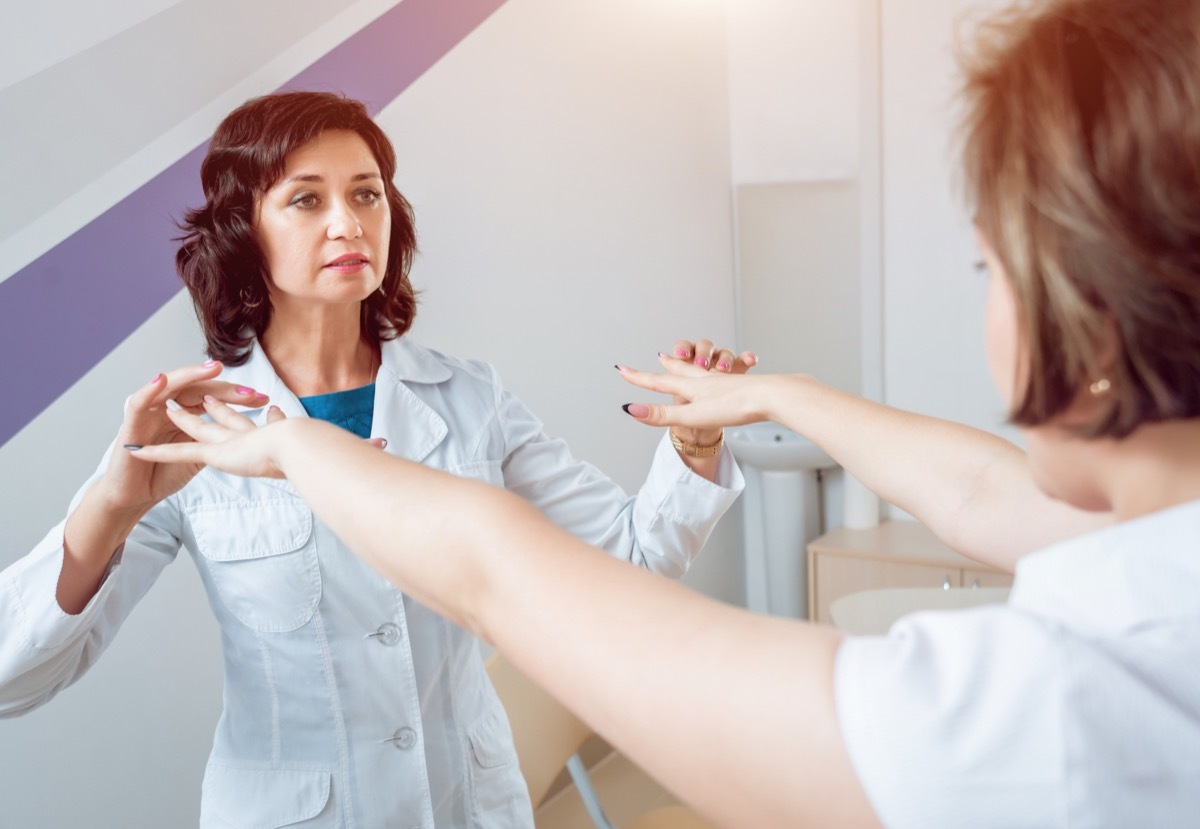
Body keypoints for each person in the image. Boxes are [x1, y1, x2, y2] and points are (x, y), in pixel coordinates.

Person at [131, 0, 1200, 826]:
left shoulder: (1067, 710)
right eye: (304, 198)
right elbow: (983, 491)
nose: (344, 223)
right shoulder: (1159, 554)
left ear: (1096, 317)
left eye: (991, 266)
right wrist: (779, 394)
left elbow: (513, 574)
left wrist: (299, 448)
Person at [0, 91, 750, 828]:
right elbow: (17, 678)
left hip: (468, 805)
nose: (347, 222)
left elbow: (633, 556)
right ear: (242, 234)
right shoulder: (196, 423)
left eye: (366, 193)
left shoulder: (467, 398)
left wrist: (694, 442)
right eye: (305, 200)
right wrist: (112, 505)